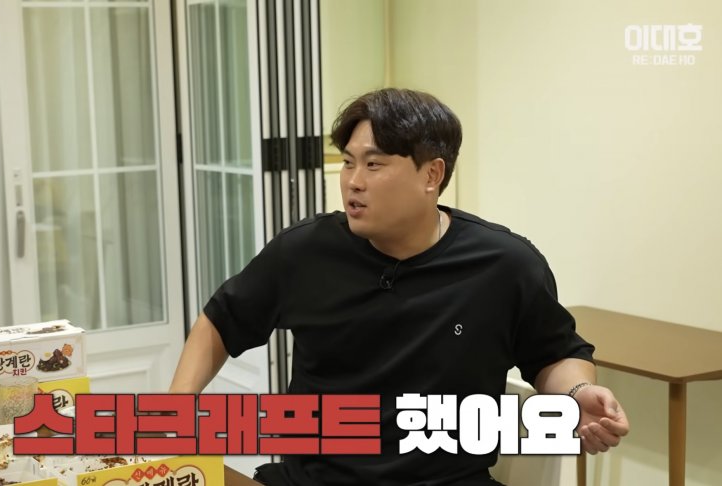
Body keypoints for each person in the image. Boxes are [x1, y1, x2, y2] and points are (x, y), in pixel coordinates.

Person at [169, 88, 630, 486]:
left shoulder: (505, 265)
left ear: (432, 175)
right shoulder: (304, 252)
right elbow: (221, 321)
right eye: (348, 163)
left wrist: (575, 394)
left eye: (374, 164)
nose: (353, 182)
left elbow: (553, 353)